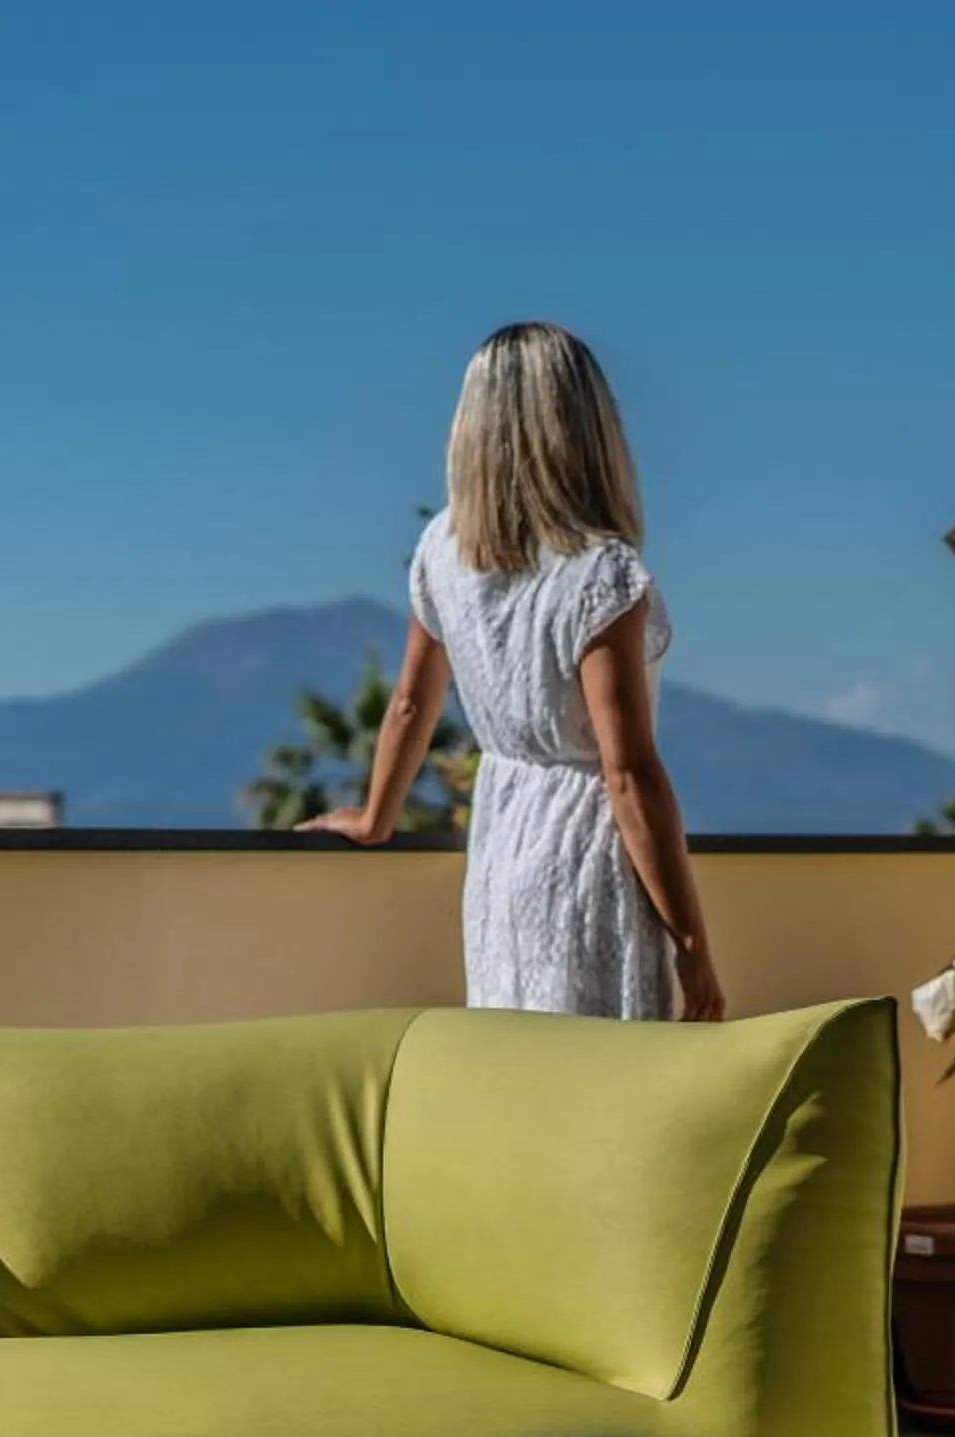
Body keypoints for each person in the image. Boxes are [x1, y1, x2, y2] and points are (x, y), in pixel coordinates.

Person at [301, 322, 726, 1023]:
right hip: (586, 855)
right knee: (601, 1070)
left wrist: (376, 818)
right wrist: (692, 947)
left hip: (499, 845)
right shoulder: (600, 574)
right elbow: (626, 772)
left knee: (515, 1057)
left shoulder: (444, 547)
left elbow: (411, 701)